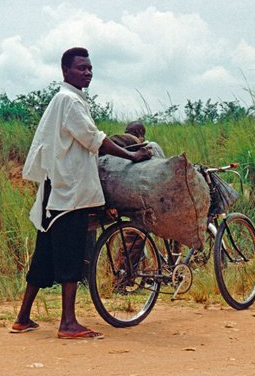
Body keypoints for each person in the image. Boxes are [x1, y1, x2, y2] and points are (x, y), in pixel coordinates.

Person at [11, 47, 152, 340]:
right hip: (68, 192)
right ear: (66, 71)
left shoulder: (65, 100)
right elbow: (94, 139)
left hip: (56, 190)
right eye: (80, 68)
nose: (87, 72)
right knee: (71, 255)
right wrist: (131, 156)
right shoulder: (70, 101)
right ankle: (68, 323)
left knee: (44, 255)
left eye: (89, 68)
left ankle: (23, 317)